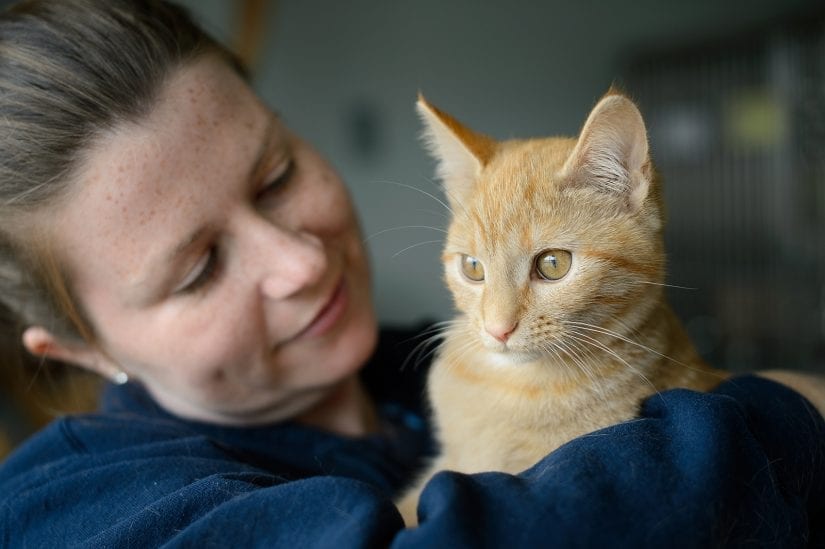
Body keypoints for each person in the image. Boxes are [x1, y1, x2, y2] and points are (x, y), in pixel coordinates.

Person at [0, 1, 822, 546]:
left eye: (277, 175)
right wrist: (786, 412)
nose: (302, 261)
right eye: (198, 269)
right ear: (78, 347)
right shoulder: (61, 504)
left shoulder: (407, 367)